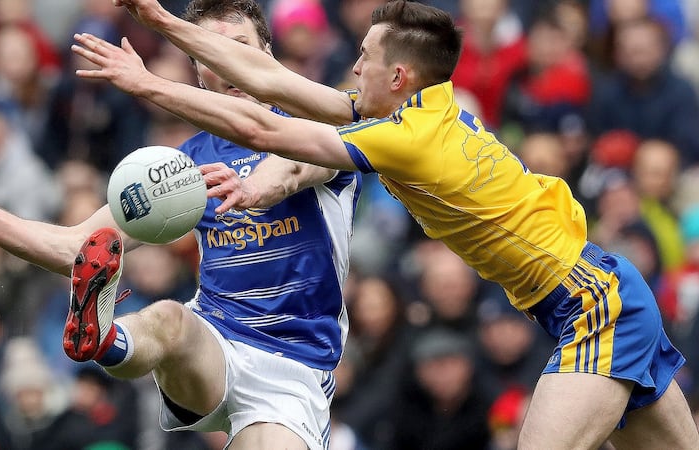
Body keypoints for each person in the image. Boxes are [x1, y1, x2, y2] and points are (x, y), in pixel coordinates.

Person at [75, 0, 699, 447]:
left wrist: (148, 84)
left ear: (397, 75)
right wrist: (162, 22)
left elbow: (261, 125)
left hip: (595, 308)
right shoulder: (414, 113)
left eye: (365, 57)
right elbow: (269, 80)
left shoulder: (408, 140)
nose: (353, 69)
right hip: (600, 291)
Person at [0, 1, 361, 449]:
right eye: (211, 54)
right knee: (169, 319)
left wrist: (251, 189)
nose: (228, 66)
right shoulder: (182, 165)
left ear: (267, 53)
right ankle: (102, 336)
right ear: (198, 70)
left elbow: (291, 170)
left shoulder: (318, 126)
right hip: (215, 342)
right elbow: (77, 246)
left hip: (294, 362)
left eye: (239, 48)